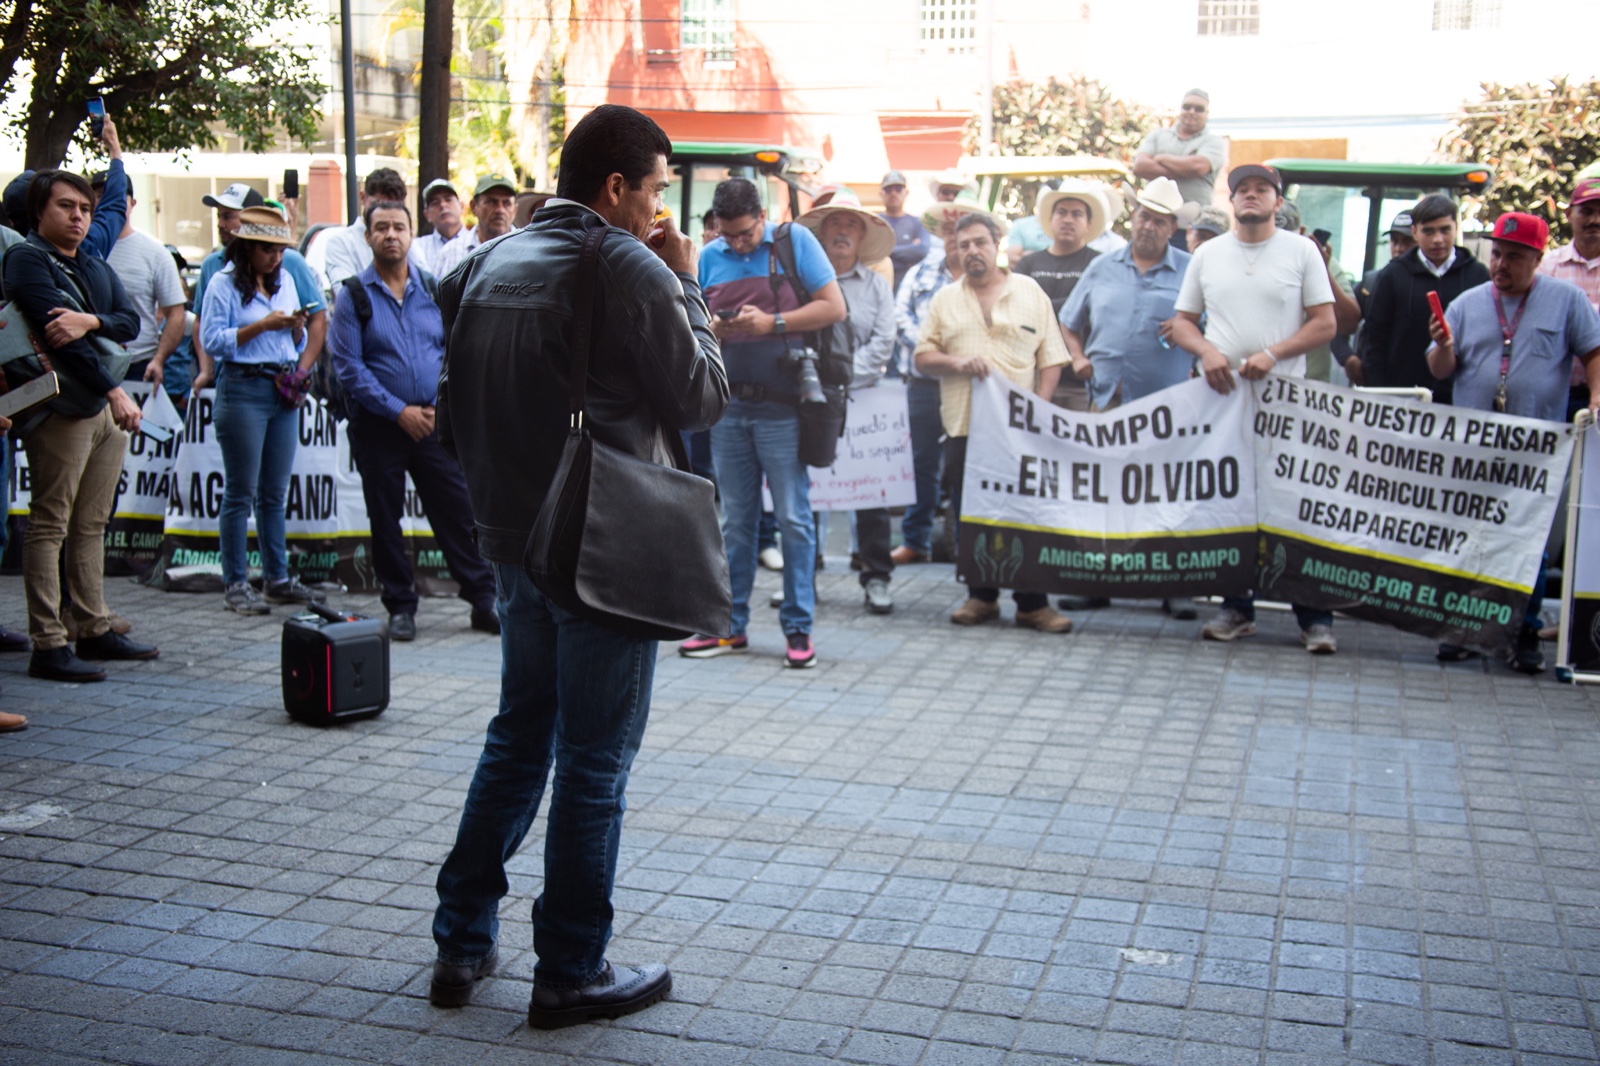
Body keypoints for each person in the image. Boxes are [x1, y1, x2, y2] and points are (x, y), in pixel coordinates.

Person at [429, 103, 726, 1026]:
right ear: (615, 187)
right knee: (594, 760)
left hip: (514, 538)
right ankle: (571, 968)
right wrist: (686, 286)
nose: (661, 208)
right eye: (656, 188)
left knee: (519, 737)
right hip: (597, 544)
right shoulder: (629, 261)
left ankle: (462, 941)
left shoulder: (487, 259)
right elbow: (703, 397)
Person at [1169, 163, 1338, 653]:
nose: (1251, 196)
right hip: (1222, 402)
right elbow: (1182, 322)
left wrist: (1274, 354)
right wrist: (1206, 352)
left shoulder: (1302, 251)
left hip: (1284, 400)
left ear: (1277, 202)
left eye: (1261, 189)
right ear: (1231, 199)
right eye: (1242, 189)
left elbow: (1324, 324)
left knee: (1292, 507)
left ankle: (1315, 618)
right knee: (1229, 504)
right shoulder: (1208, 254)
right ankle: (1236, 608)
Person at [680, 177, 846, 668]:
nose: (737, 243)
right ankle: (729, 626)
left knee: (794, 519)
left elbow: (834, 307)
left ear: (762, 218)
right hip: (730, 409)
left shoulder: (795, 243)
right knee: (735, 522)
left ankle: (798, 628)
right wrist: (715, 329)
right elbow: (695, 327)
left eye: (746, 234)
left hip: (786, 407)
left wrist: (770, 324)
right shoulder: (709, 257)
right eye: (727, 235)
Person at [1426, 211, 1600, 674]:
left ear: (1538, 259)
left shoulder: (1567, 300)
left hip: (1536, 448)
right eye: (1497, 254)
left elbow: (1593, 350)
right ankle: (1461, 630)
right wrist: (1443, 345)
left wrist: (1598, 395)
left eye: (1514, 257)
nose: (1501, 265)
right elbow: (1441, 371)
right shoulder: (1466, 303)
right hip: (1475, 448)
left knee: (1531, 542)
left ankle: (1524, 633)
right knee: (1469, 535)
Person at [4, 170, 158, 682]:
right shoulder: (26, 258)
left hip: (100, 406)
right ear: (38, 211)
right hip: (61, 408)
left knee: (91, 524)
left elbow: (129, 323)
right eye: (66, 206)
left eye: (85, 209)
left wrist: (90, 321)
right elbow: (58, 338)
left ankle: (92, 627)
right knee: (49, 524)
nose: (77, 216)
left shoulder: (90, 261)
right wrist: (113, 388)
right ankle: (48, 641)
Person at [328, 200, 500, 641]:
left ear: (411, 233)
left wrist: (438, 408)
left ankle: (483, 600)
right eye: (381, 228)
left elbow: (453, 353)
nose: (391, 235)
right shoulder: (353, 296)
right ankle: (401, 606)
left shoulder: (431, 287)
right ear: (367, 237)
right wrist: (397, 411)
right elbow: (349, 368)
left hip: (431, 421)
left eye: (399, 227)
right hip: (379, 427)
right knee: (385, 519)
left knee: (458, 513)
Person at [915, 212, 1073, 633]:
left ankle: (1032, 604)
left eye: (980, 243)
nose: (972, 252)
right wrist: (956, 361)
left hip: (1018, 430)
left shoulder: (1029, 292)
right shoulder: (945, 300)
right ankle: (980, 597)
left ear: (997, 243)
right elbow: (922, 358)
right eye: (964, 245)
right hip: (964, 427)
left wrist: (1036, 412)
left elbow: (1052, 359)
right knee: (971, 514)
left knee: (1025, 512)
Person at [1058, 176, 1195, 618]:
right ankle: (1097, 582)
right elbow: (1068, 322)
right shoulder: (1101, 267)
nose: (1148, 227)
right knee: (1103, 489)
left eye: (1158, 221)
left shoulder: (1192, 272)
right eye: (1143, 217)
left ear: (1172, 227)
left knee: (1165, 491)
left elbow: (1211, 330)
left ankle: (1172, 587)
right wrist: (1077, 357)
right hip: (1106, 398)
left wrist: (1188, 333)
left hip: (1165, 405)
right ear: (1131, 219)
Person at [199, 207, 326, 615]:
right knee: (240, 492)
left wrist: (295, 328)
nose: (276, 257)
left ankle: (277, 579)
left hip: (280, 386)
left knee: (274, 493)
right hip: (242, 387)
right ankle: (235, 582)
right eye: (268, 249)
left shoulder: (286, 279)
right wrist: (262, 326)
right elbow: (212, 340)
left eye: (280, 249)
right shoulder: (221, 284)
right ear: (248, 248)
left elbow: (292, 340)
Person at [797, 191, 898, 612]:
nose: (842, 232)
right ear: (822, 232)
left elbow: (885, 341)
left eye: (852, 225)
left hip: (865, 399)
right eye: (836, 223)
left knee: (871, 491)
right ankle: (805, 576)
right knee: (809, 489)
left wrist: (843, 378)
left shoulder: (877, 286)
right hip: (813, 398)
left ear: (861, 237)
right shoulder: (803, 283)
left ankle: (876, 576)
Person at [889, 197, 983, 565]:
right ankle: (915, 540)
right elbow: (901, 318)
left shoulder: (987, 278)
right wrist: (933, 349)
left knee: (965, 464)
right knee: (921, 462)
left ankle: (964, 545)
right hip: (924, 382)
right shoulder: (920, 272)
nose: (951, 237)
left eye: (957, 230)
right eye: (946, 230)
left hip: (969, 385)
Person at [192, 183, 328, 394]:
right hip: (233, 383)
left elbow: (317, 318)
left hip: (283, 382)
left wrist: (300, 372)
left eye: (228, 216)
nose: (220, 224)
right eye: (219, 216)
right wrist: (206, 371)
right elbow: (202, 323)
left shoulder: (289, 265)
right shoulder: (214, 267)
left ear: (252, 220)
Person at [1350, 195, 1487, 401]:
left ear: (1456, 228)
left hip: (1460, 403)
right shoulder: (1392, 276)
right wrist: (1380, 396)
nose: (1438, 239)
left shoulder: (1478, 275)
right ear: (1415, 232)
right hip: (1402, 399)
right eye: (1428, 231)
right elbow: (1374, 341)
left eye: (1444, 230)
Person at [1013, 180, 1105, 412]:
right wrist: (1071, 305)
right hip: (1032, 377)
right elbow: (1018, 309)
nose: (1068, 219)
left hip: (1080, 381)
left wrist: (1043, 308)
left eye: (1077, 214)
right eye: (1061, 213)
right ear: (1050, 220)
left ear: (1088, 224)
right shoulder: (1028, 264)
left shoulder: (1100, 264)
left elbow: (1095, 310)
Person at [95, 177, 187, 392]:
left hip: (139, 367)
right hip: (91, 365)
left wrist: (159, 360)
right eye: (100, 196)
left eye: (116, 196)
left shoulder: (156, 253)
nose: (107, 202)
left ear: (132, 203)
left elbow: (175, 313)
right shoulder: (80, 249)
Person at [1274, 201, 1360, 383]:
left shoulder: (1322, 262)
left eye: (1288, 241)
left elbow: (1348, 323)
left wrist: (1322, 270)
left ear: (1303, 233)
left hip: (1308, 388)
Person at [1537, 176, 1600, 419]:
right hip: (1557, 396)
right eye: (1586, 212)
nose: (1595, 220)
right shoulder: (1547, 268)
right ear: (1569, 215)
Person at [1133, 89, 1227, 243]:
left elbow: (1199, 167)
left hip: (1192, 230)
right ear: (1180, 109)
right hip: (1152, 222)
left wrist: (1160, 157)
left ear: (1207, 113)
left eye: (1199, 109)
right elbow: (1140, 166)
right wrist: (1185, 167)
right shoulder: (1158, 136)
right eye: (1187, 107)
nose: (1192, 112)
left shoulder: (1214, 142)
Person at [322, 168, 431, 286]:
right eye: (379, 205)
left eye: (394, 206)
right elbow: (347, 294)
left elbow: (426, 287)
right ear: (363, 197)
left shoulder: (407, 242)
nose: (386, 213)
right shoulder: (341, 243)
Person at [433, 175, 521, 276]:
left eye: (507, 203)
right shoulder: (450, 253)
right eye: (491, 202)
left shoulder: (526, 252)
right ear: (474, 207)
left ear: (515, 210)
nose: (500, 210)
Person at [878, 170, 933, 293]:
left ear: (906, 192)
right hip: (879, 288)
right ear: (881, 194)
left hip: (909, 289)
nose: (893, 193)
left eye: (898, 189)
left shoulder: (917, 223)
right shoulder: (875, 223)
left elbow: (922, 250)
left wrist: (884, 251)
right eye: (888, 190)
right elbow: (869, 253)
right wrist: (909, 249)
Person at [1355, 212, 1418, 317]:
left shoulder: (1427, 283)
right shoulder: (1372, 281)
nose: (1399, 249)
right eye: (1395, 241)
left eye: (1407, 241)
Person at [414, 178, 473, 275]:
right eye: (435, 203)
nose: (443, 205)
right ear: (427, 215)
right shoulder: (418, 248)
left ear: (462, 207)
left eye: (448, 199)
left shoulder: (477, 243)